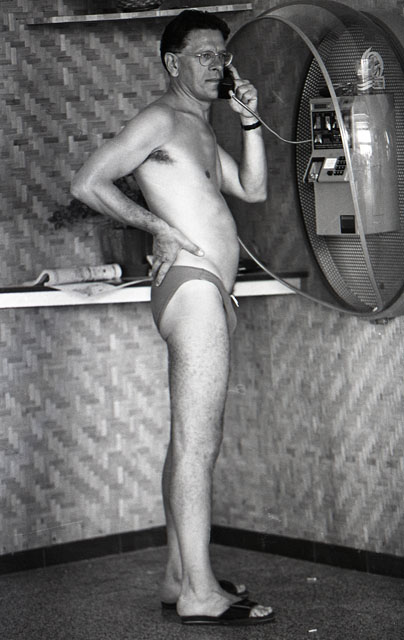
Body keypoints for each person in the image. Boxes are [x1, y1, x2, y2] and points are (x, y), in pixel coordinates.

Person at [71, 9, 273, 626]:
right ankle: (200, 593)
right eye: (205, 55)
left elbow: (253, 189)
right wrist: (156, 227)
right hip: (192, 288)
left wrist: (250, 121)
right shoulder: (160, 119)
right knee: (197, 443)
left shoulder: (198, 127)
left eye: (222, 55)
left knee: (191, 440)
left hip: (210, 292)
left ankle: (177, 575)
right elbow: (88, 182)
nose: (219, 66)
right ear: (172, 63)